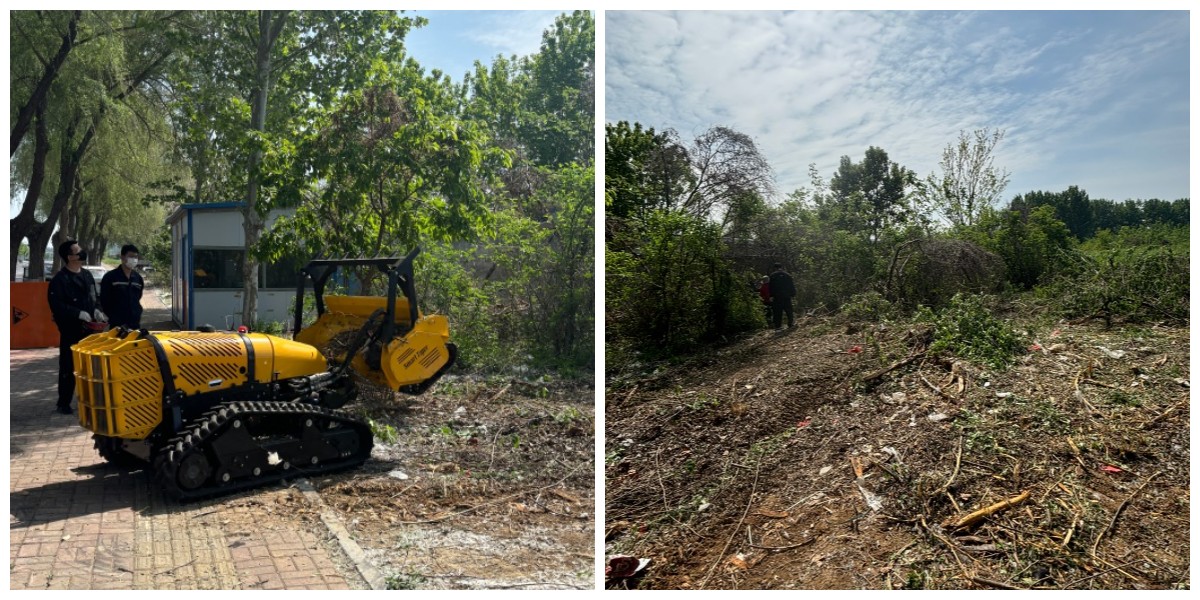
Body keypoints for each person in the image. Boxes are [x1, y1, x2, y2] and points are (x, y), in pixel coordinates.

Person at [47, 240, 107, 414]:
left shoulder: (87, 275)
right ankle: (63, 403)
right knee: (68, 366)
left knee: (92, 367)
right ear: (69, 257)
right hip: (71, 330)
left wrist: (97, 310)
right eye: (77, 251)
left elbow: (94, 296)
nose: (82, 252)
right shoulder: (60, 279)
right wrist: (77, 313)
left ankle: (92, 401)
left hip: (91, 330)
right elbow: (56, 305)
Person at [100, 244, 145, 330]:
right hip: (117, 326)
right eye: (131, 256)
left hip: (135, 324)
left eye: (136, 257)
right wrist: (114, 316)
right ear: (122, 257)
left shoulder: (137, 278)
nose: (134, 259)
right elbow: (104, 300)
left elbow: (138, 297)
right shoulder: (111, 277)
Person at [768, 262, 796, 330]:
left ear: (774, 268)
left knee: (777, 312)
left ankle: (778, 326)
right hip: (786, 296)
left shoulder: (772, 276)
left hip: (777, 297)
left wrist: (771, 295)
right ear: (782, 267)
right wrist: (793, 293)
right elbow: (791, 285)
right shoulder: (787, 275)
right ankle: (790, 323)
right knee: (788, 310)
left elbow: (771, 287)